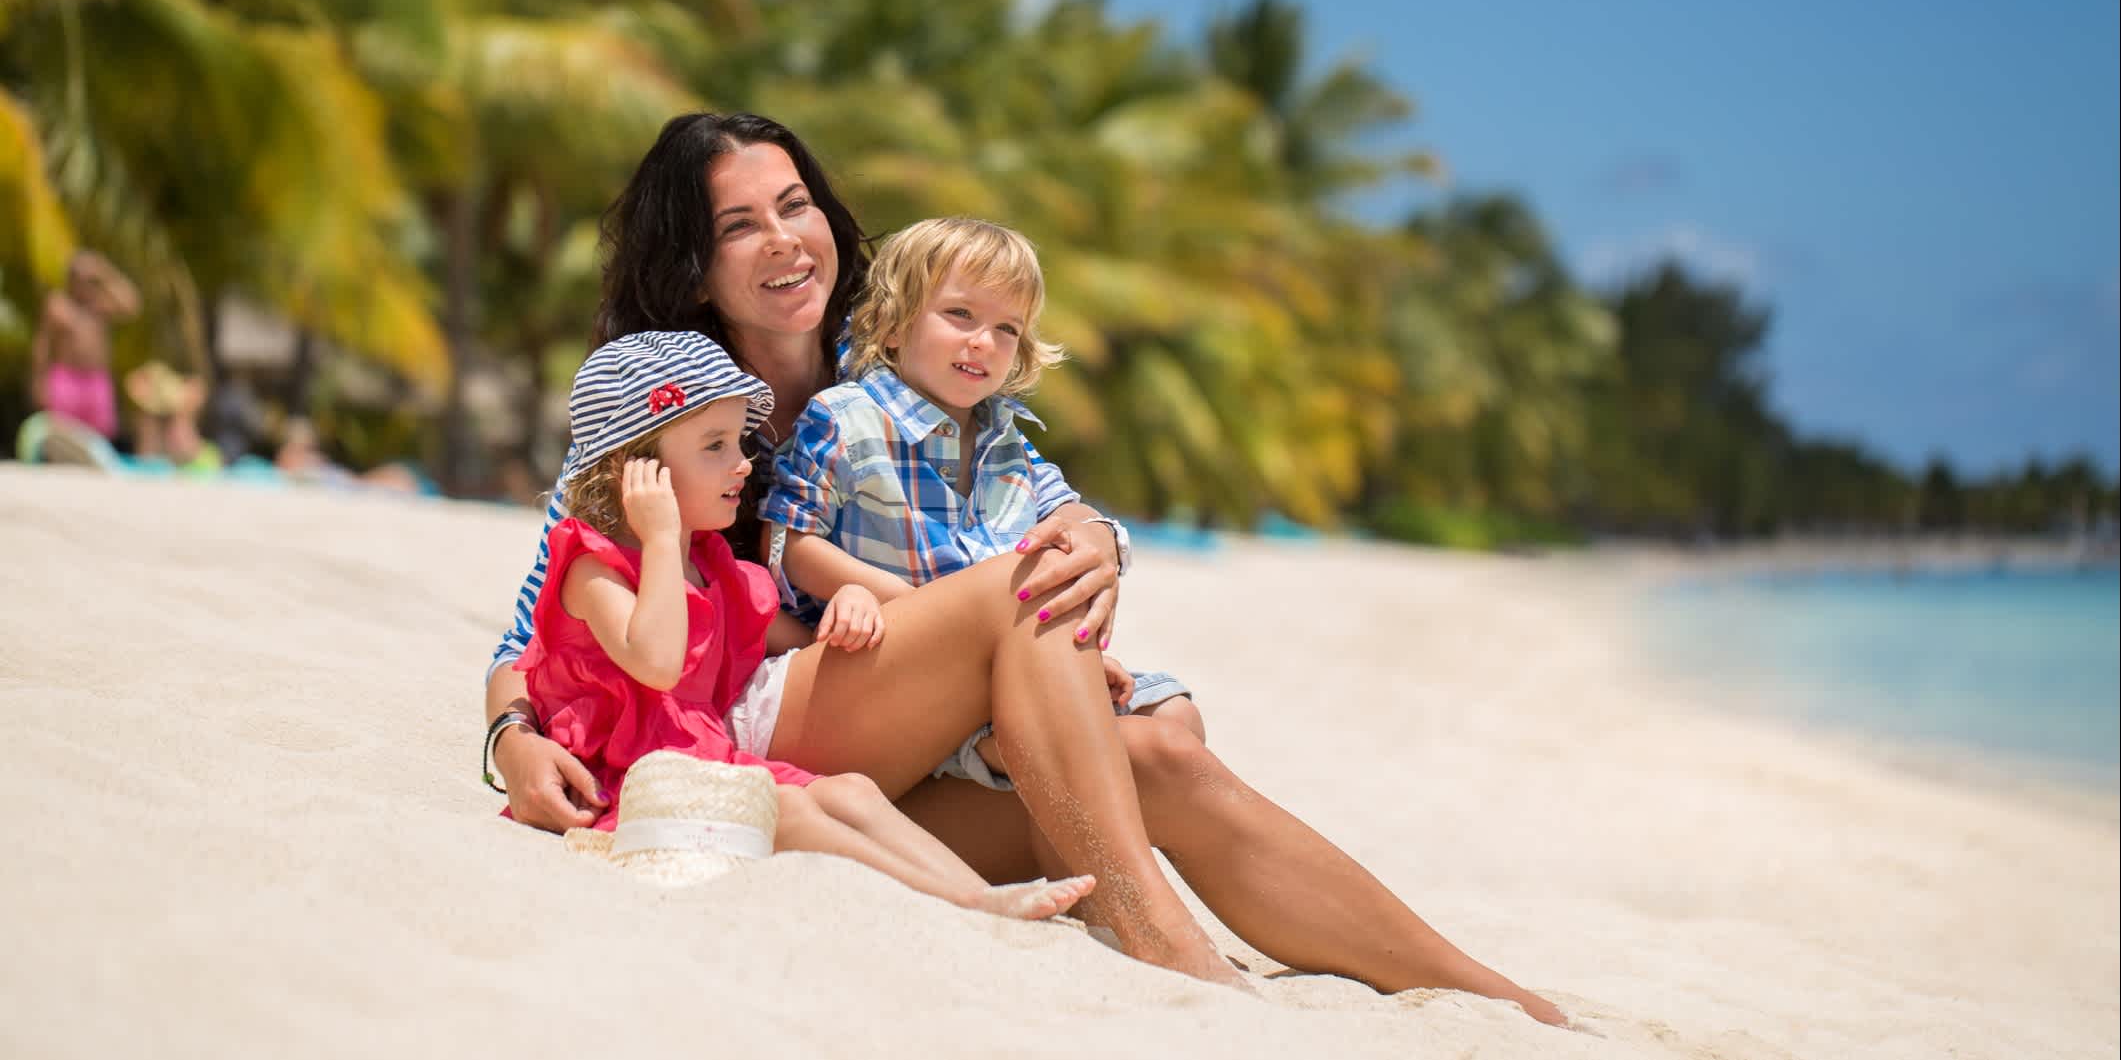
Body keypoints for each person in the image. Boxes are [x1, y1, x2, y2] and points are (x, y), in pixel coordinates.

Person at [483, 112, 1565, 1021]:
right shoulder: (664, 402)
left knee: (1162, 760)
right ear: (692, 263)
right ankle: (1156, 930)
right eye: (739, 224)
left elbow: (1022, 488)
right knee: (1017, 596)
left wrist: (1096, 529)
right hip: (778, 721)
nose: (784, 239)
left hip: (912, 760)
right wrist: (512, 736)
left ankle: (1492, 995)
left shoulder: (909, 343)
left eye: (795, 204)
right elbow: (534, 623)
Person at [511, 328, 1094, 922]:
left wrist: (850, 609)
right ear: (634, 473)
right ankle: (954, 900)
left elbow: (789, 639)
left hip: (705, 757)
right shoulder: (592, 566)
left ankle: (977, 894)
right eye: (714, 445)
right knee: (786, 809)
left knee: (851, 790)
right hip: (630, 783)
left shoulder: (713, 565)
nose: (742, 463)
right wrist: (660, 536)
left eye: (739, 441)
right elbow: (657, 661)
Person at [761, 217, 1190, 790]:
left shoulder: (1006, 439)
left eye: (1007, 328)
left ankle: (1056, 712)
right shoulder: (845, 418)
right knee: (1061, 730)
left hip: (1004, 661)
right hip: (891, 661)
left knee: (1176, 716)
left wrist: (1100, 542)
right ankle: (1031, 733)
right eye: (960, 315)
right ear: (891, 326)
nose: (984, 342)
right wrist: (924, 607)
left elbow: (1068, 511)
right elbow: (787, 542)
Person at [29, 249, 139, 441]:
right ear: (70, 279)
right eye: (80, 278)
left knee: (98, 439)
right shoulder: (58, 306)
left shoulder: (100, 306)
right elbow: (42, 347)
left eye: (90, 280)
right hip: (65, 380)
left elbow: (132, 305)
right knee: (61, 437)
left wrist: (104, 271)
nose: (85, 285)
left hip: (96, 381)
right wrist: (39, 382)